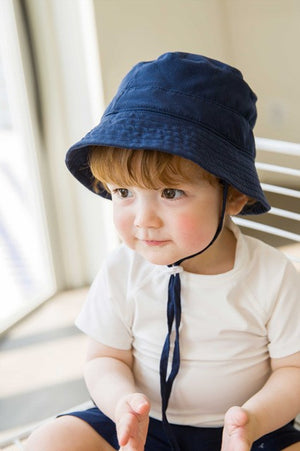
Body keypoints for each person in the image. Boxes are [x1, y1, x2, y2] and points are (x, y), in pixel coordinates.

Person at [25, 52, 300, 451]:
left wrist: (252, 419)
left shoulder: (272, 275)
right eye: (124, 193)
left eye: (170, 193)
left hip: (248, 434)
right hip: (140, 424)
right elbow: (106, 359)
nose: (143, 219)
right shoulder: (123, 269)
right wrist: (122, 405)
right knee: (52, 439)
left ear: (235, 196)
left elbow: (293, 370)